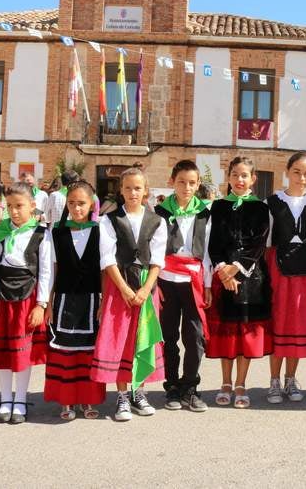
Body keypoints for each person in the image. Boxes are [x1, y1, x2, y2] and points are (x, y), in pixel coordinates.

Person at [90, 167, 167, 422]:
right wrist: (124, 289)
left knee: (141, 337)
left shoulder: (157, 221)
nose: (133, 192)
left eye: (138, 188)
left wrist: (145, 290)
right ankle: (122, 395)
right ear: (120, 190)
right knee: (122, 339)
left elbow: (157, 260)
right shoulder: (108, 220)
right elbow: (107, 258)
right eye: (128, 188)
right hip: (119, 284)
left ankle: (138, 392)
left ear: (146, 191)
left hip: (146, 284)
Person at [0, 182, 53, 423]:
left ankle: (20, 399)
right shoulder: (0, 231)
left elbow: (46, 271)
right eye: (10, 206)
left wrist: (41, 304)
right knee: (3, 349)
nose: (14, 211)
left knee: (22, 350)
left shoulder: (41, 233)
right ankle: (5, 398)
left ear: (32, 205)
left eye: (19, 206)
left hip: (26, 296)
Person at [206, 156, 271, 409]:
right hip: (224, 277)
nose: (239, 180)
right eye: (235, 174)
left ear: (253, 179)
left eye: (244, 175)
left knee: (244, 332)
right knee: (228, 333)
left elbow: (258, 244)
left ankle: (241, 383)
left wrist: (237, 271)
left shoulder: (261, 208)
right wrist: (224, 272)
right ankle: (225, 382)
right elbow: (214, 243)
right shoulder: (219, 206)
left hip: (251, 278)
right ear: (229, 177)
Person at [43, 181, 106, 421]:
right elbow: (53, 269)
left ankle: (88, 399)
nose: (76, 208)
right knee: (65, 352)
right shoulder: (57, 232)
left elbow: (105, 270)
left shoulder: (100, 230)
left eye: (81, 203)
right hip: (64, 300)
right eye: (71, 203)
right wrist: (48, 303)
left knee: (88, 351)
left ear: (91, 204)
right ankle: (66, 400)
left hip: (92, 300)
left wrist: (104, 301)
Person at [264, 152, 306, 404]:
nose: (302, 178)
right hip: (278, 269)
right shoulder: (272, 202)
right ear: (287, 172)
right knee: (279, 322)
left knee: (299, 323)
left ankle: (291, 378)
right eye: (297, 172)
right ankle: (274, 381)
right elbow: (266, 242)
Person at [154, 160, 213, 412]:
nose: (186, 187)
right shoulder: (159, 213)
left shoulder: (205, 213)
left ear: (198, 184)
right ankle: (172, 386)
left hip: (193, 282)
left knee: (195, 336)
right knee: (168, 336)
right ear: (172, 182)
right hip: (166, 280)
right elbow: (153, 250)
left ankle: (190, 386)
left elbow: (207, 253)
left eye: (191, 183)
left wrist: (208, 285)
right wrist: (153, 284)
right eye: (181, 182)